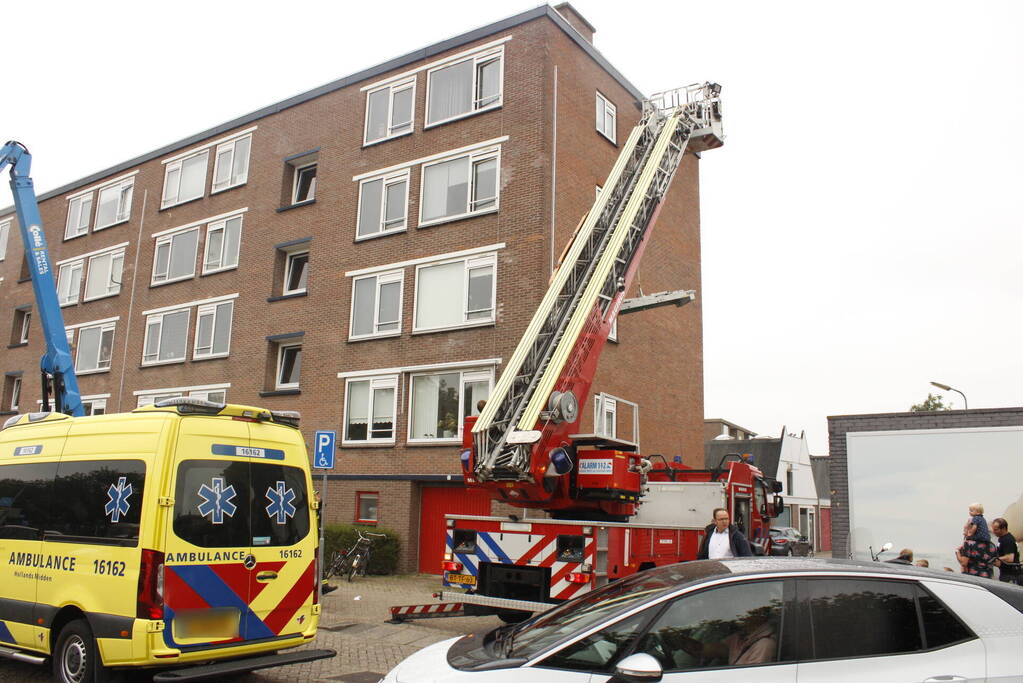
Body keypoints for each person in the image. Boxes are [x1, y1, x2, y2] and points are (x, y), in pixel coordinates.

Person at [668, 605, 776, 666]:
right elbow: (704, 650)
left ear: (758, 616)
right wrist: (680, 640)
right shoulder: (739, 637)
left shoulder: (764, 644)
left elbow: (753, 677)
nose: (739, 617)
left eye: (745, 614)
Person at [992, 517, 1020, 584]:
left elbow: (1010, 558)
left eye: (996, 530)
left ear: (1004, 528)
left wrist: (996, 559)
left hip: (1011, 575)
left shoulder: (1008, 540)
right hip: (1005, 573)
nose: (993, 532)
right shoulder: (1002, 538)